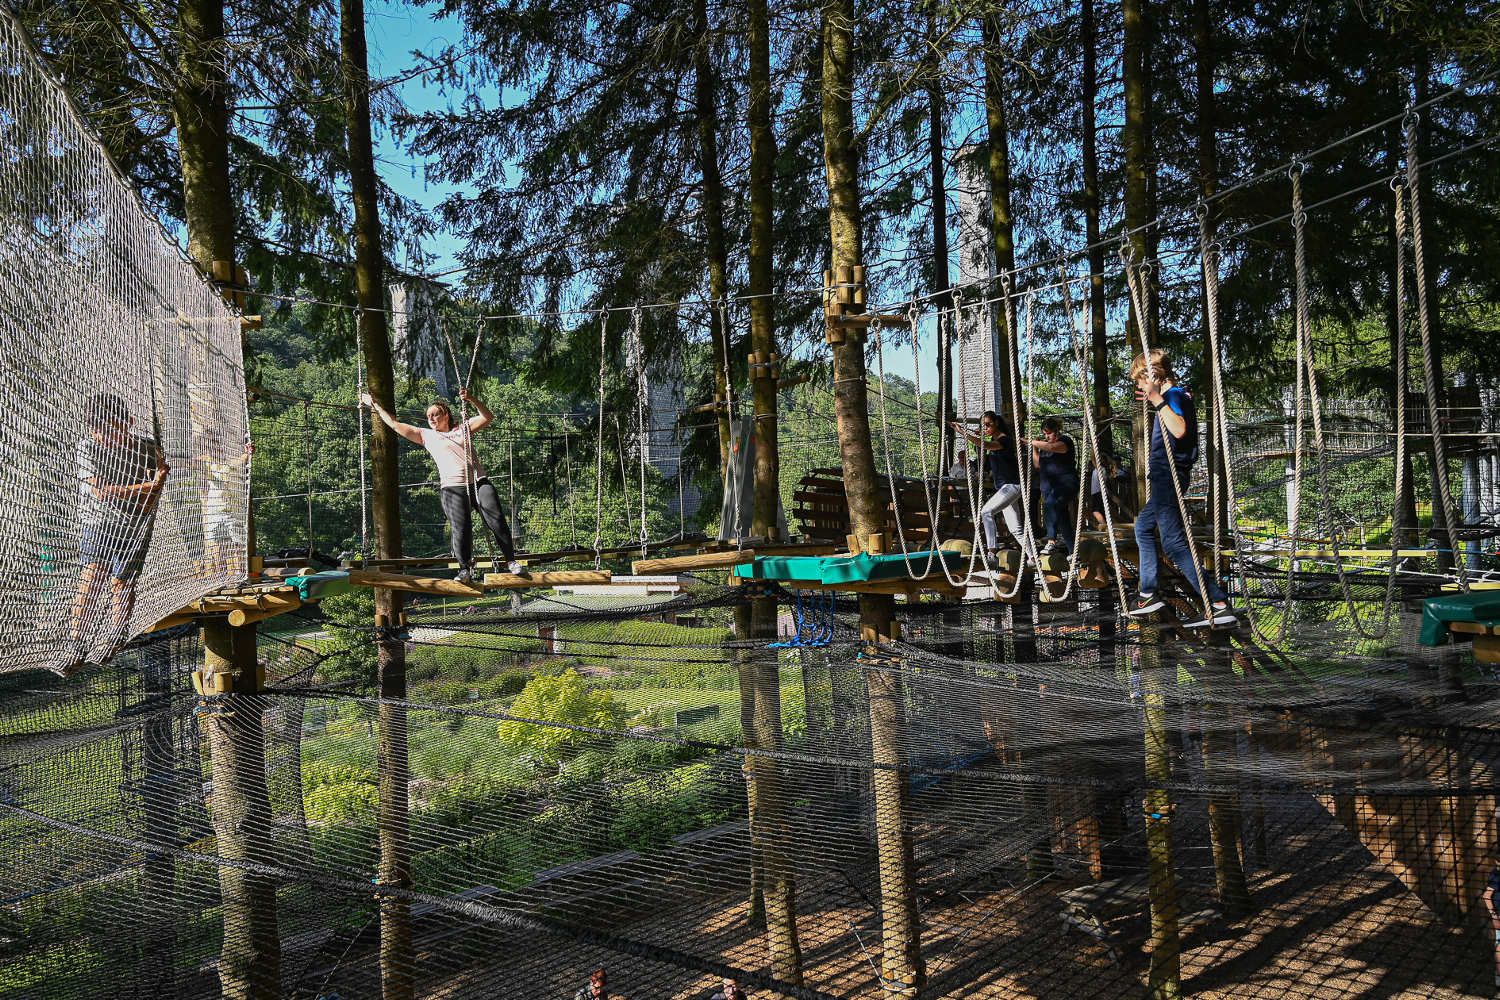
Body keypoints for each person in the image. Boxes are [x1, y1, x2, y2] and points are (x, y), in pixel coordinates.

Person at [360, 388, 523, 581]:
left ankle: (511, 561)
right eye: (428, 416)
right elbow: (394, 424)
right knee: (461, 528)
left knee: (496, 519)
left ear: (446, 415)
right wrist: (374, 405)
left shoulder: (464, 428)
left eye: (435, 414)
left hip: (478, 482)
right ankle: (464, 570)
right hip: (453, 488)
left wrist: (471, 398)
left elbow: (487, 417)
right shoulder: (426, 435)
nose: (431, 419)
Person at [1126, 348, 1236, 626]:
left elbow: (1179, 430)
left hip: (1168, 476)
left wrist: (1156, 399)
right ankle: (1148, 591)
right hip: (1168, 476)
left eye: (1140, 381)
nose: (1139, 387)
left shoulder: (1172, 396)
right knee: (1143, 527)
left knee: (1174, 544)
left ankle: (1218, 602)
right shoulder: (1179, 394)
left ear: (1151, 377)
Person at [71, 393, 169, 663]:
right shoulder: (88, 448)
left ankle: (117, 635)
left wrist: (149, 491)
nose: (100, 434)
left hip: (136, 524)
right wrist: (148, 486)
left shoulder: (148, 448)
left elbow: (153, 496)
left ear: (127, 422)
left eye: (107, 427)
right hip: (99, 522)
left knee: (124, 581)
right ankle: (77, 640)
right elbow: (102, 492)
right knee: (93, 576)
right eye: (95, 428)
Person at [951, 411, 1033, 560]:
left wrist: (962, 432)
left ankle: (991, 552)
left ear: (996, 424)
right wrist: (979, 435)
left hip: (1012, 486)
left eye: (988, 424)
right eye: (983, 425)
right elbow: (984, 449)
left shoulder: (1004, 440)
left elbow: (988, 444)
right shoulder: (994, 441)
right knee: (1016, 529)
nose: (986, 427)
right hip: (1005, 488)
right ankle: (1034, 558)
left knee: (986, 512)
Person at [199, 431, 252, 576]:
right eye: (213, 448)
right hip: (215, 512)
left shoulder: (229, 464)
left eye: (218, 447)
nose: (217, 450)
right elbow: (191, 463)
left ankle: (241, 573)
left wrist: (248, 452)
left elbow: (243, 459)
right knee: (218, 546)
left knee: (238, 544)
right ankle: (220, 576)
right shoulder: (206, 464)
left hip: (233, 511)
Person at [1027, 416, 1078, 555]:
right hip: (1049, 488)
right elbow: (1038, 464)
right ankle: (1074, 552)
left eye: (1048, 433)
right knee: (1063, 519)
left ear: (1057, 430)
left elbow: (1053, 447)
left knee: (1050, 504)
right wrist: (1035, 449)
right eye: (1044, 434)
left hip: (1065, 485)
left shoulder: (1064, 441)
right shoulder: (1044, 447)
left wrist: (1035, 442)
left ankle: (1051, 541)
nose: (1046, 436)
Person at [1089, 449, 1121, 530]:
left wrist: (1093, 447)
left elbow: (1093, 458)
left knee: (1095, 511)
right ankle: (1106, 528)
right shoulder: (1102, 469)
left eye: (1099, 458)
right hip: (1100, 493)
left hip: (1098, 493)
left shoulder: (1101, 469)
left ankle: (1106, 528)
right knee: (1102, 512)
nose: (1097, 459)